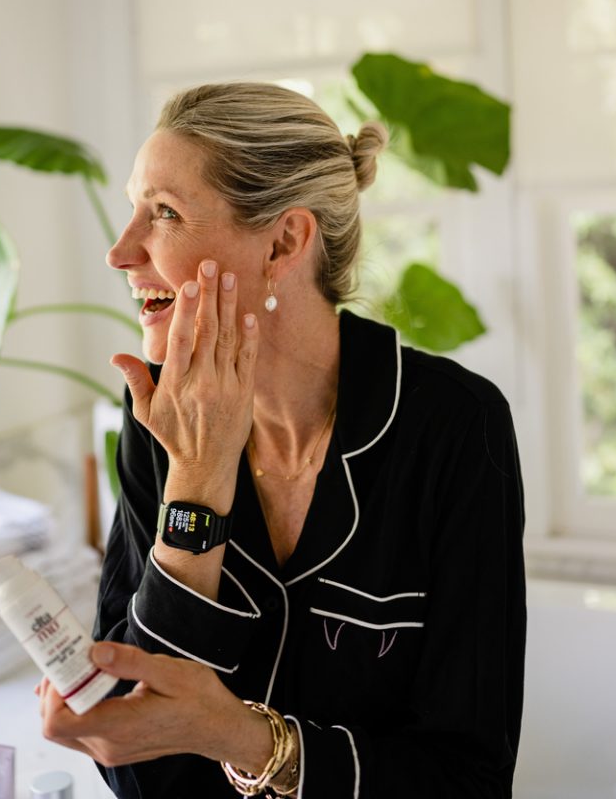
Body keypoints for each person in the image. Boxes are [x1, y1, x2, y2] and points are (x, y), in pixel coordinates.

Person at [40, 81, 526, 798]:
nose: (120, 253)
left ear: (285, 242)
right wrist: (196, 484)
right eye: (132, 211)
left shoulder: (454, 426)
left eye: (164, 214)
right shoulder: (157, 412)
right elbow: (143, 773)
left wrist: (237, 736)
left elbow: (468, 778)